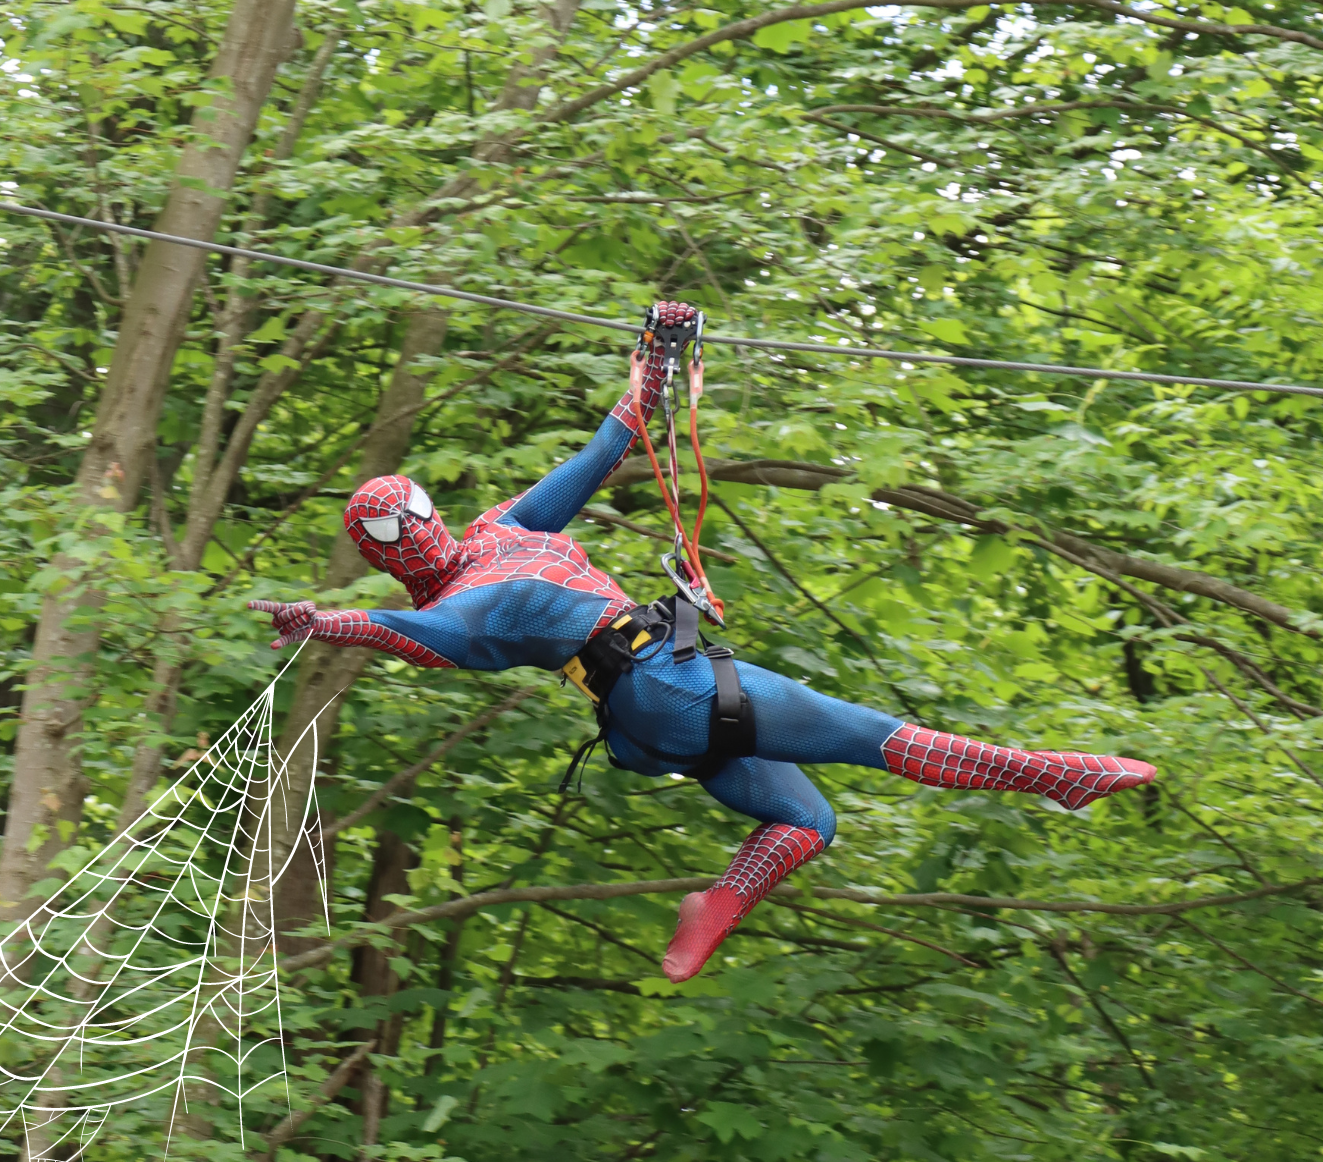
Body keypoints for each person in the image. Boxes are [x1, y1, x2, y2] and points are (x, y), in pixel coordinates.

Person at [250, 301, 1156, 982]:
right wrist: (323, 622)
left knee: (809, 819)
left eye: (419, 518)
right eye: (406, 536)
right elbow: (402, 635)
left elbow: (611, 443)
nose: (425, 535)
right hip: (661, 687)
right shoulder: (464, 611)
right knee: (868, 734)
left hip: (662, 708)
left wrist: (657, 349)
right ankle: (1050, 776)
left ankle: (716, 904)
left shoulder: (504, 531)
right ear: (401, 553)